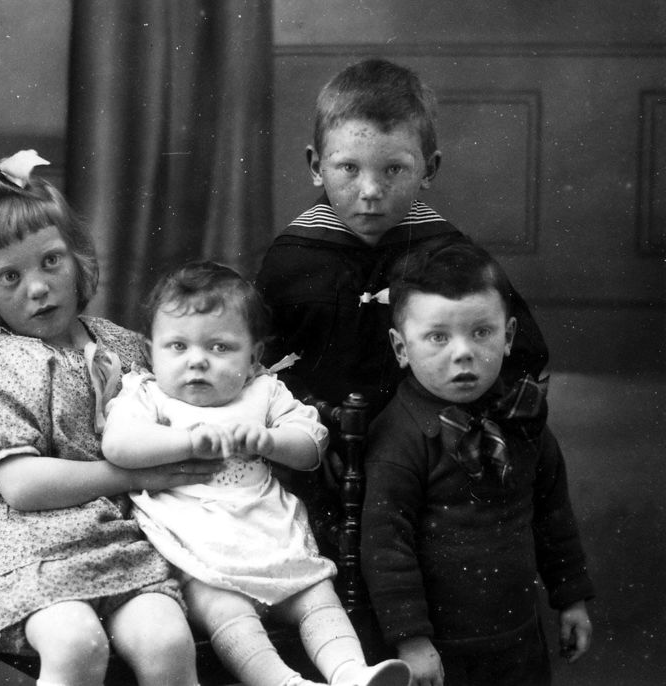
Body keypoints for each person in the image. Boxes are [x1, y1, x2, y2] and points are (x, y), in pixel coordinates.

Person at [0, 150, 219, 686]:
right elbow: (21, 485)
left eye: (51, 261)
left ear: (77, 259)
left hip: (116, 542)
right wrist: (132, 475)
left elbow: (184, 395)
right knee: (76, 643)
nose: (37, 287)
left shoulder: (121, 345)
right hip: (24, 547)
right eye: (9, 277)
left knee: (167, 641)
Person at [254, 57, 550, 552]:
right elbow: (261, 364)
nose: (371, 191)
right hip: (317, 454)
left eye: (394, 169)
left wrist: (470, 432)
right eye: (348, 168)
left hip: (434, 458)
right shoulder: (292, 260)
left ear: (429, 169)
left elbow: (521, 357)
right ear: (315, 166)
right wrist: (307, 431)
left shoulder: (452, 258)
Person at [102, 261, 411, 686]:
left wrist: (269, 441)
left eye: (220, 347)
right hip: (195, 543)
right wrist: (187, 442)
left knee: (317, 595)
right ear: (151, 351)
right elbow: (119, 445)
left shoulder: (263, 391)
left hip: (267, 530)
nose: (197, 361)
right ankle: (283, 683)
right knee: (225, 610)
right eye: (177, 346)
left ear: (253, 358)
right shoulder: (148, 395)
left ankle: (350, 673)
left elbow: (312, 444)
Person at [360, 242, 594, 686]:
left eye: (481, 332)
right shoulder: (400, 439)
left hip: (519, 635)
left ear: (508, 337)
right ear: (401, 347)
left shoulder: (520, 418)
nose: (463, 353)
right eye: (438, 337)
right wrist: (412, 640)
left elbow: (553, 515)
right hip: (440, 647)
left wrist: (571, 600)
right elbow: (386, 547)